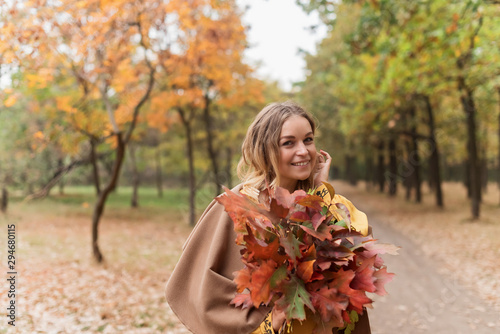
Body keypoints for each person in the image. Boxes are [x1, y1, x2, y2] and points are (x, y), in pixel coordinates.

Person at [165, 101, 371, 333]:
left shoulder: (331, 201)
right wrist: (269, 321)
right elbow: (205, 291)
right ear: (265, 150)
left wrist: (320, 191)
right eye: (288, 143)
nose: (303, 150)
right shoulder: (237, 206)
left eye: (308, 139)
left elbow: (355, 254)